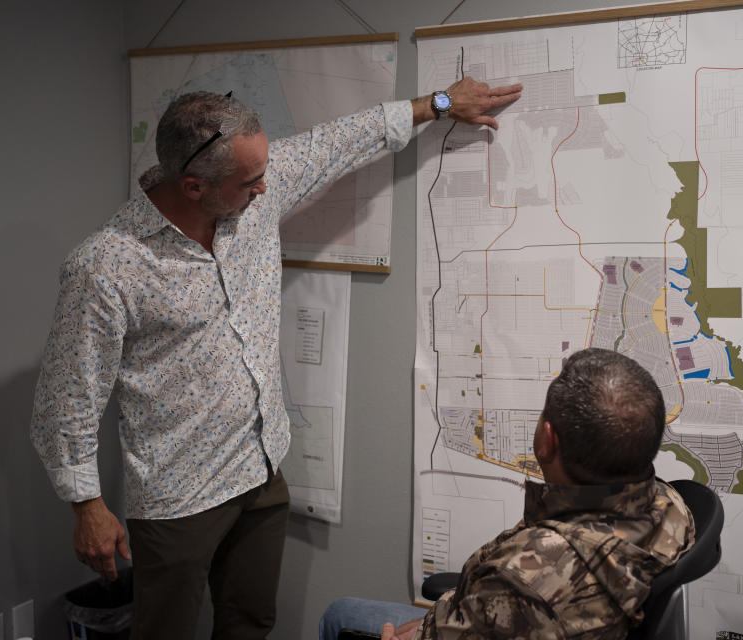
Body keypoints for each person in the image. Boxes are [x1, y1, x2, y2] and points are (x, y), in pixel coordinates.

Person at [30, 77, 522, 640]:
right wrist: (86, 506)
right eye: (251, 181)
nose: (268, 187)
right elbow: (65, 401)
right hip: (177, 497)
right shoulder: (106, 266)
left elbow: (341, 140)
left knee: (250, 624)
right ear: (193, 186)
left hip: (260, 471)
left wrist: (437, 104)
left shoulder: (247, 197)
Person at [320, 348, 696, 640]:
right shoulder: (672, 505)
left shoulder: (522, 580)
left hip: (513, 618)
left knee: (340, 615)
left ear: (546, 440)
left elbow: (516, 602)